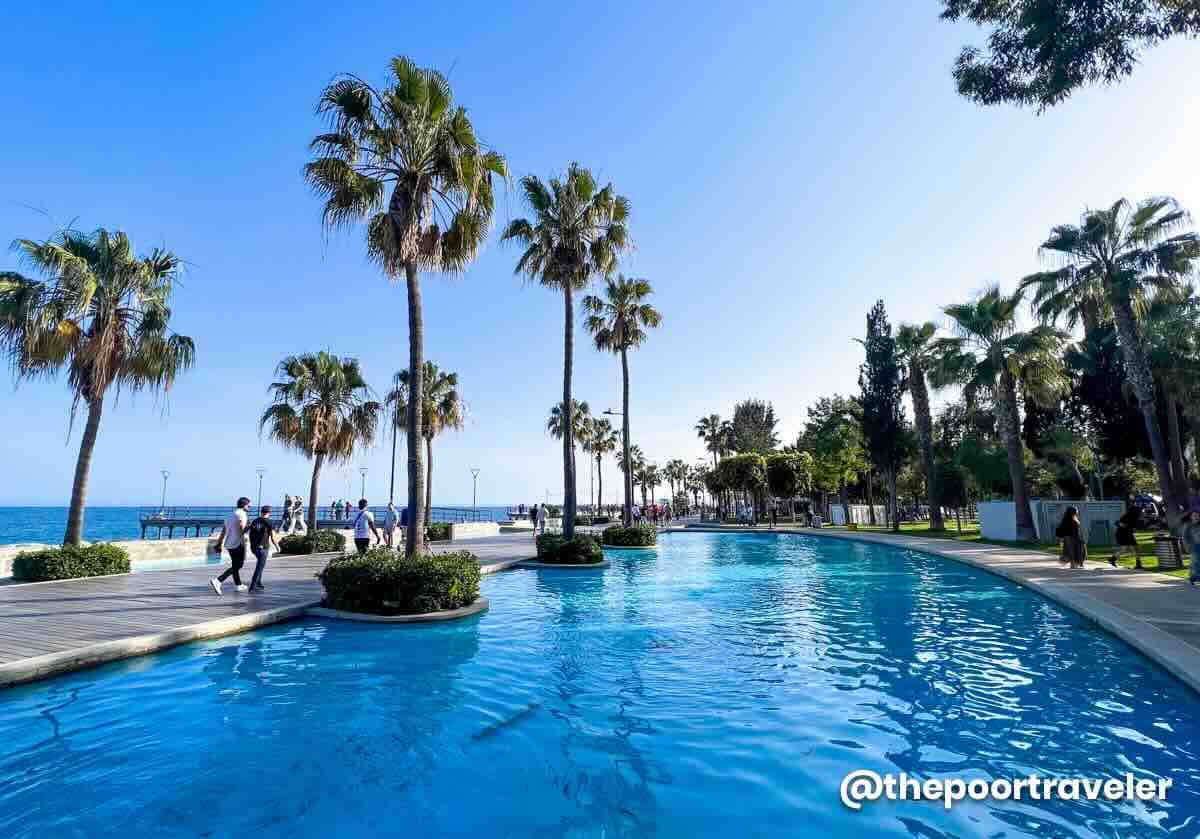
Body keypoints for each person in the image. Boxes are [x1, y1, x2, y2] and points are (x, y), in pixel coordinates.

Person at [211, 497, 252, 594]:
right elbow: (242, 530)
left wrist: (219, 543)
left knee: (235, 564)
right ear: (244, 505)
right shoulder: (242, 514)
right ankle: (218, 580)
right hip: (238, 544)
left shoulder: (230, 515)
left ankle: (238, 585)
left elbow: (223, 531)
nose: (250, 507)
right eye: (248, 505)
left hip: (229, 544)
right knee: (238, 565)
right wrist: (250, 526)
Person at [247, 505, 280, 591]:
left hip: (253, 548)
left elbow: (249, 532)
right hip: (263, 548)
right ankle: (253, 586)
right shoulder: (269, 522)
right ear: (269, 513)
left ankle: (258, 583)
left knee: (260, 564)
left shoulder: (254, 521)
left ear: (261, 512)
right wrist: (277, 547)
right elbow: (273, 537)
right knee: (260, 567)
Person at [1112, 500, 1141, 568]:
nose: (1140, 513)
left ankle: (1112, 559)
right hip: (1123, 534)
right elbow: (1118, 523)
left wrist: (1132, 529)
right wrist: (1124, 526)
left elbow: (1133, 527)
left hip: (1127, 533)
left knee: (1126, 548)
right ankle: (1138, 564)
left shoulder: (1134, 518)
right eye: (1139, 512)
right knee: (1133, 548)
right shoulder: (1127, 516)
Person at [1181, 511, 1200, 587]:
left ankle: (1195, 577)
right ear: (1191, 517)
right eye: (1194, 515)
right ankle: (1194, 578)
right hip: (1193, 546)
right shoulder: (1188, 525)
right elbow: (1184, 537)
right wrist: (1186, 546)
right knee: (1195, 562)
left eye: (1197, 515)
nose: (1196, 517)